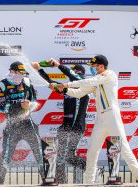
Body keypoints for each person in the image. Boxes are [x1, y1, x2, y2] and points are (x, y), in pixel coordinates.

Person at [54, 55, 138, 184]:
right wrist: (63, 89)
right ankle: (90, 182)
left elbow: (88, 82)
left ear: (101, 66)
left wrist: (67, 83)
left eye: (94, 67)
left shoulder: (109, 74)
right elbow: (79, 92)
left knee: (124, 149)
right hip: (100, 119)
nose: (92, 69)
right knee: (92, 152)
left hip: (111, 116)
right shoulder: (96, 81)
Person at [31, 59, 89, 184]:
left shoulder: (85, 87)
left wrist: (58, 65)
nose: (74, 78)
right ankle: (61, 182)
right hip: (65, 127)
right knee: (60, 157)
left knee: (69, 156)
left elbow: (72, 76)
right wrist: (39, 69)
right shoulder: (66, 88)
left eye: (76, 74)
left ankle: (91, 169)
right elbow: (50, 82)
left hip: (77, 128)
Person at [0, 61, 44, 184]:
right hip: (12, 125)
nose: (20, 76)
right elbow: (3, 108)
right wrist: (20, 105)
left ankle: (47, 178)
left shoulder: (26, 81)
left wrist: (29, 106)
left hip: (27, 123)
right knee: (6, 155)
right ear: (12, 72)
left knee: (39, 151)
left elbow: (34, 102)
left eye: (22, 74)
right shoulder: (2, 85)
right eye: (18, 74)